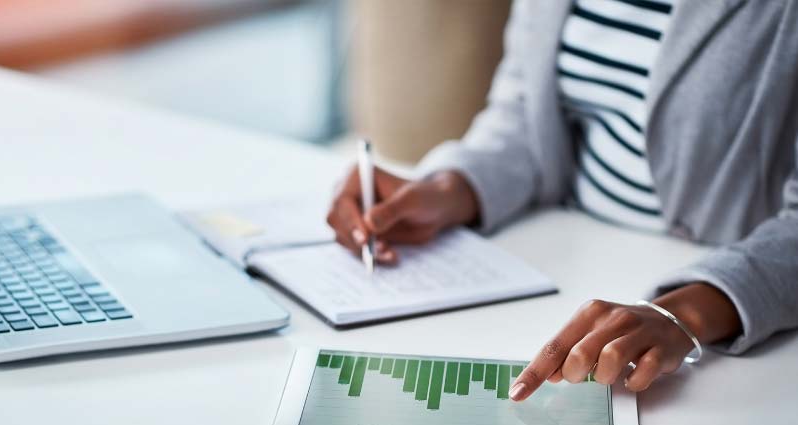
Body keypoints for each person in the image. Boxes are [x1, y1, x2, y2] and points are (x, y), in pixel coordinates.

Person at [326, 0, 798, 401]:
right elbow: (525, 115)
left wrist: (691, 311)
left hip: (739, 328)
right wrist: (451, 188)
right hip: (564, 262)